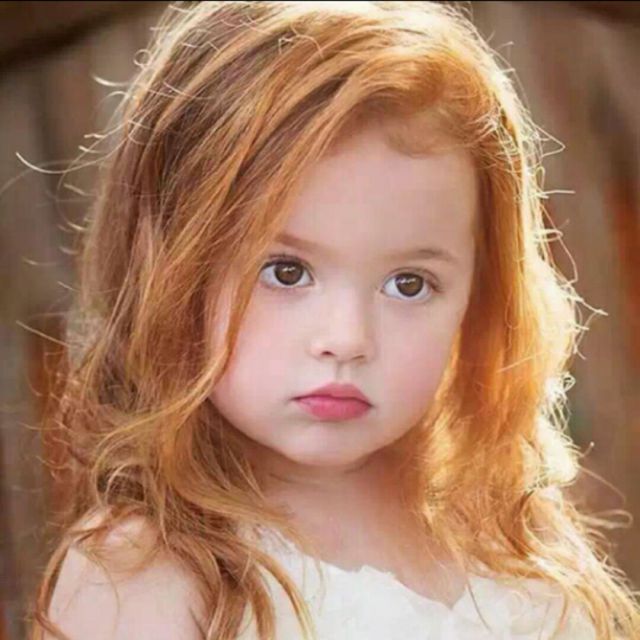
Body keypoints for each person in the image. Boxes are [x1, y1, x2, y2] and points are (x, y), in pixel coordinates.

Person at [27, 1, 639, 639]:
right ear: (170, 266)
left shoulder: (510, 537)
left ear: (479, 297)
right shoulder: (143, 571)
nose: (347, 339)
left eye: (408, 284)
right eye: (286, 272)